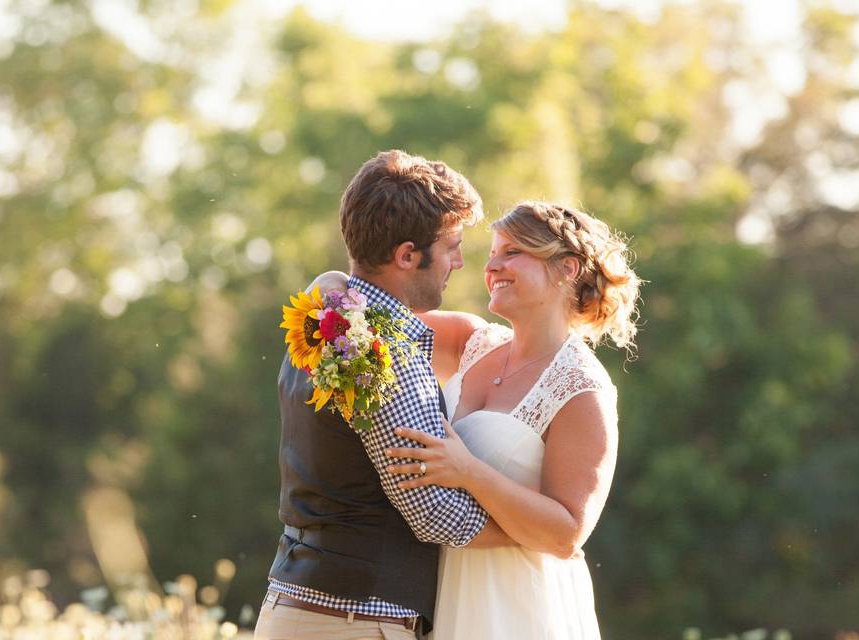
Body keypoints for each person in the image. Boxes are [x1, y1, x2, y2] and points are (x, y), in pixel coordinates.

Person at [254, 150, 514, 640]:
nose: (459, 262)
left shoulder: (321, 319)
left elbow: (333, 281)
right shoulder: (383, 358)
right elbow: (435, 514)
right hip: (355, 621)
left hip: (298, 607)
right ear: (407, 255)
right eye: (452, 246)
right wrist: (531, 535)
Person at [381, 201, 642, 639]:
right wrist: (330, 284)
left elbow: (566, 533)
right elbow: (373, 319)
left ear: (567, 269)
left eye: (512, 253)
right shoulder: (470, 341)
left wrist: (468, 472)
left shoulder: (582, 388)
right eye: (492, 254)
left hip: (520, 608)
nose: (491, 266)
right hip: (447, 594)